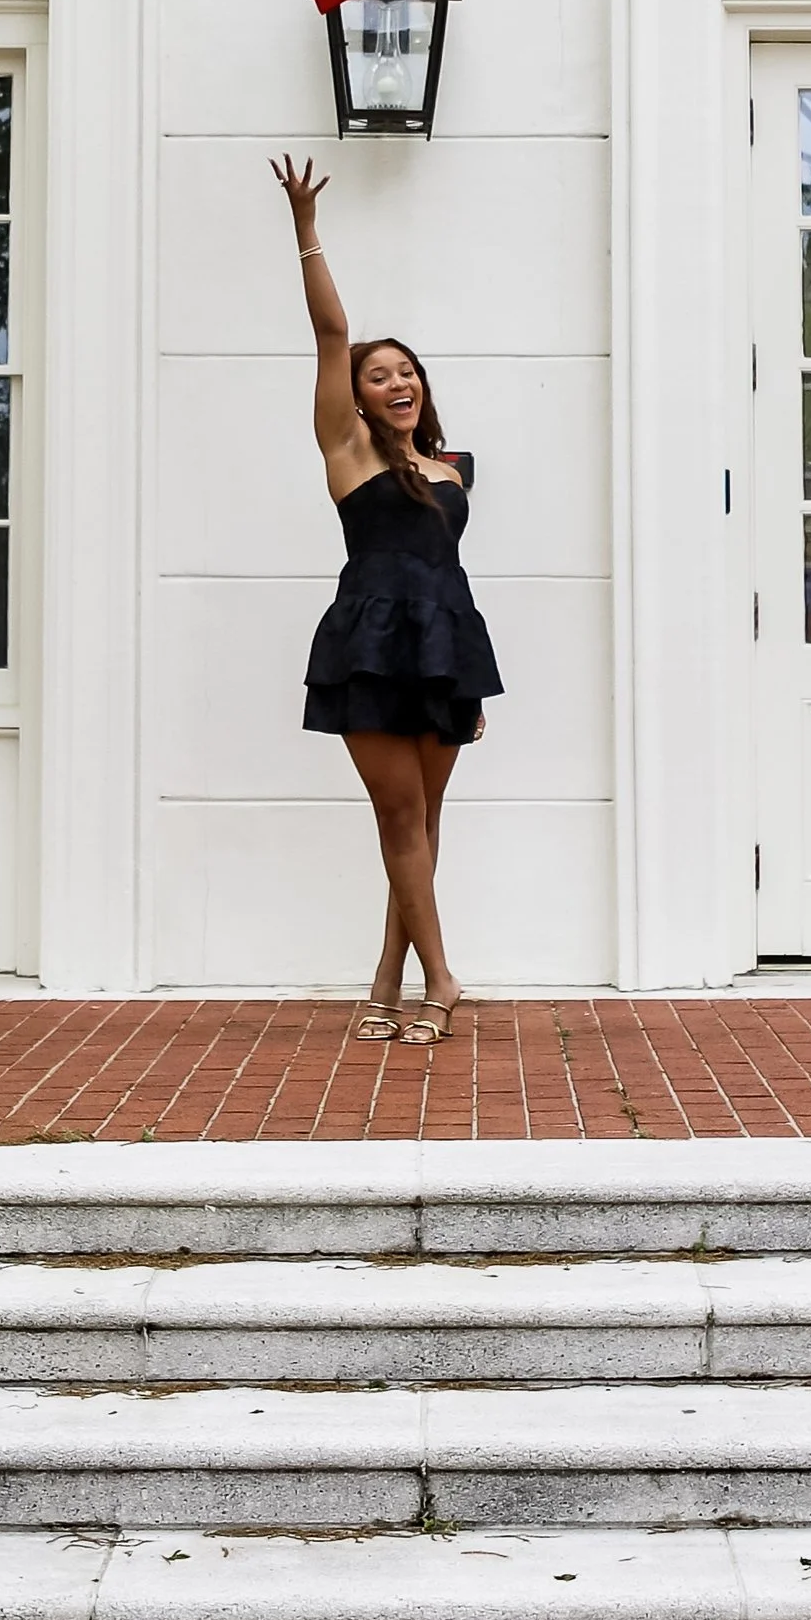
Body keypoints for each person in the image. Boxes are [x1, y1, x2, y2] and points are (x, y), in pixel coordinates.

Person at [271, 153, 503, 1044]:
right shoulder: (350, 456)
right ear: (358, 402)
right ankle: (439, 979)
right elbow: (333, 335)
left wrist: (468, 679)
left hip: (445, 649)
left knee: (424, 823)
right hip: (369, 642)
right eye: (379, 377)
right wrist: (306, 232)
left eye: (406, 372)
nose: (395, 383)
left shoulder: (453, 470)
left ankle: (383, 981)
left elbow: (447, 571)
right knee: (398, 814)